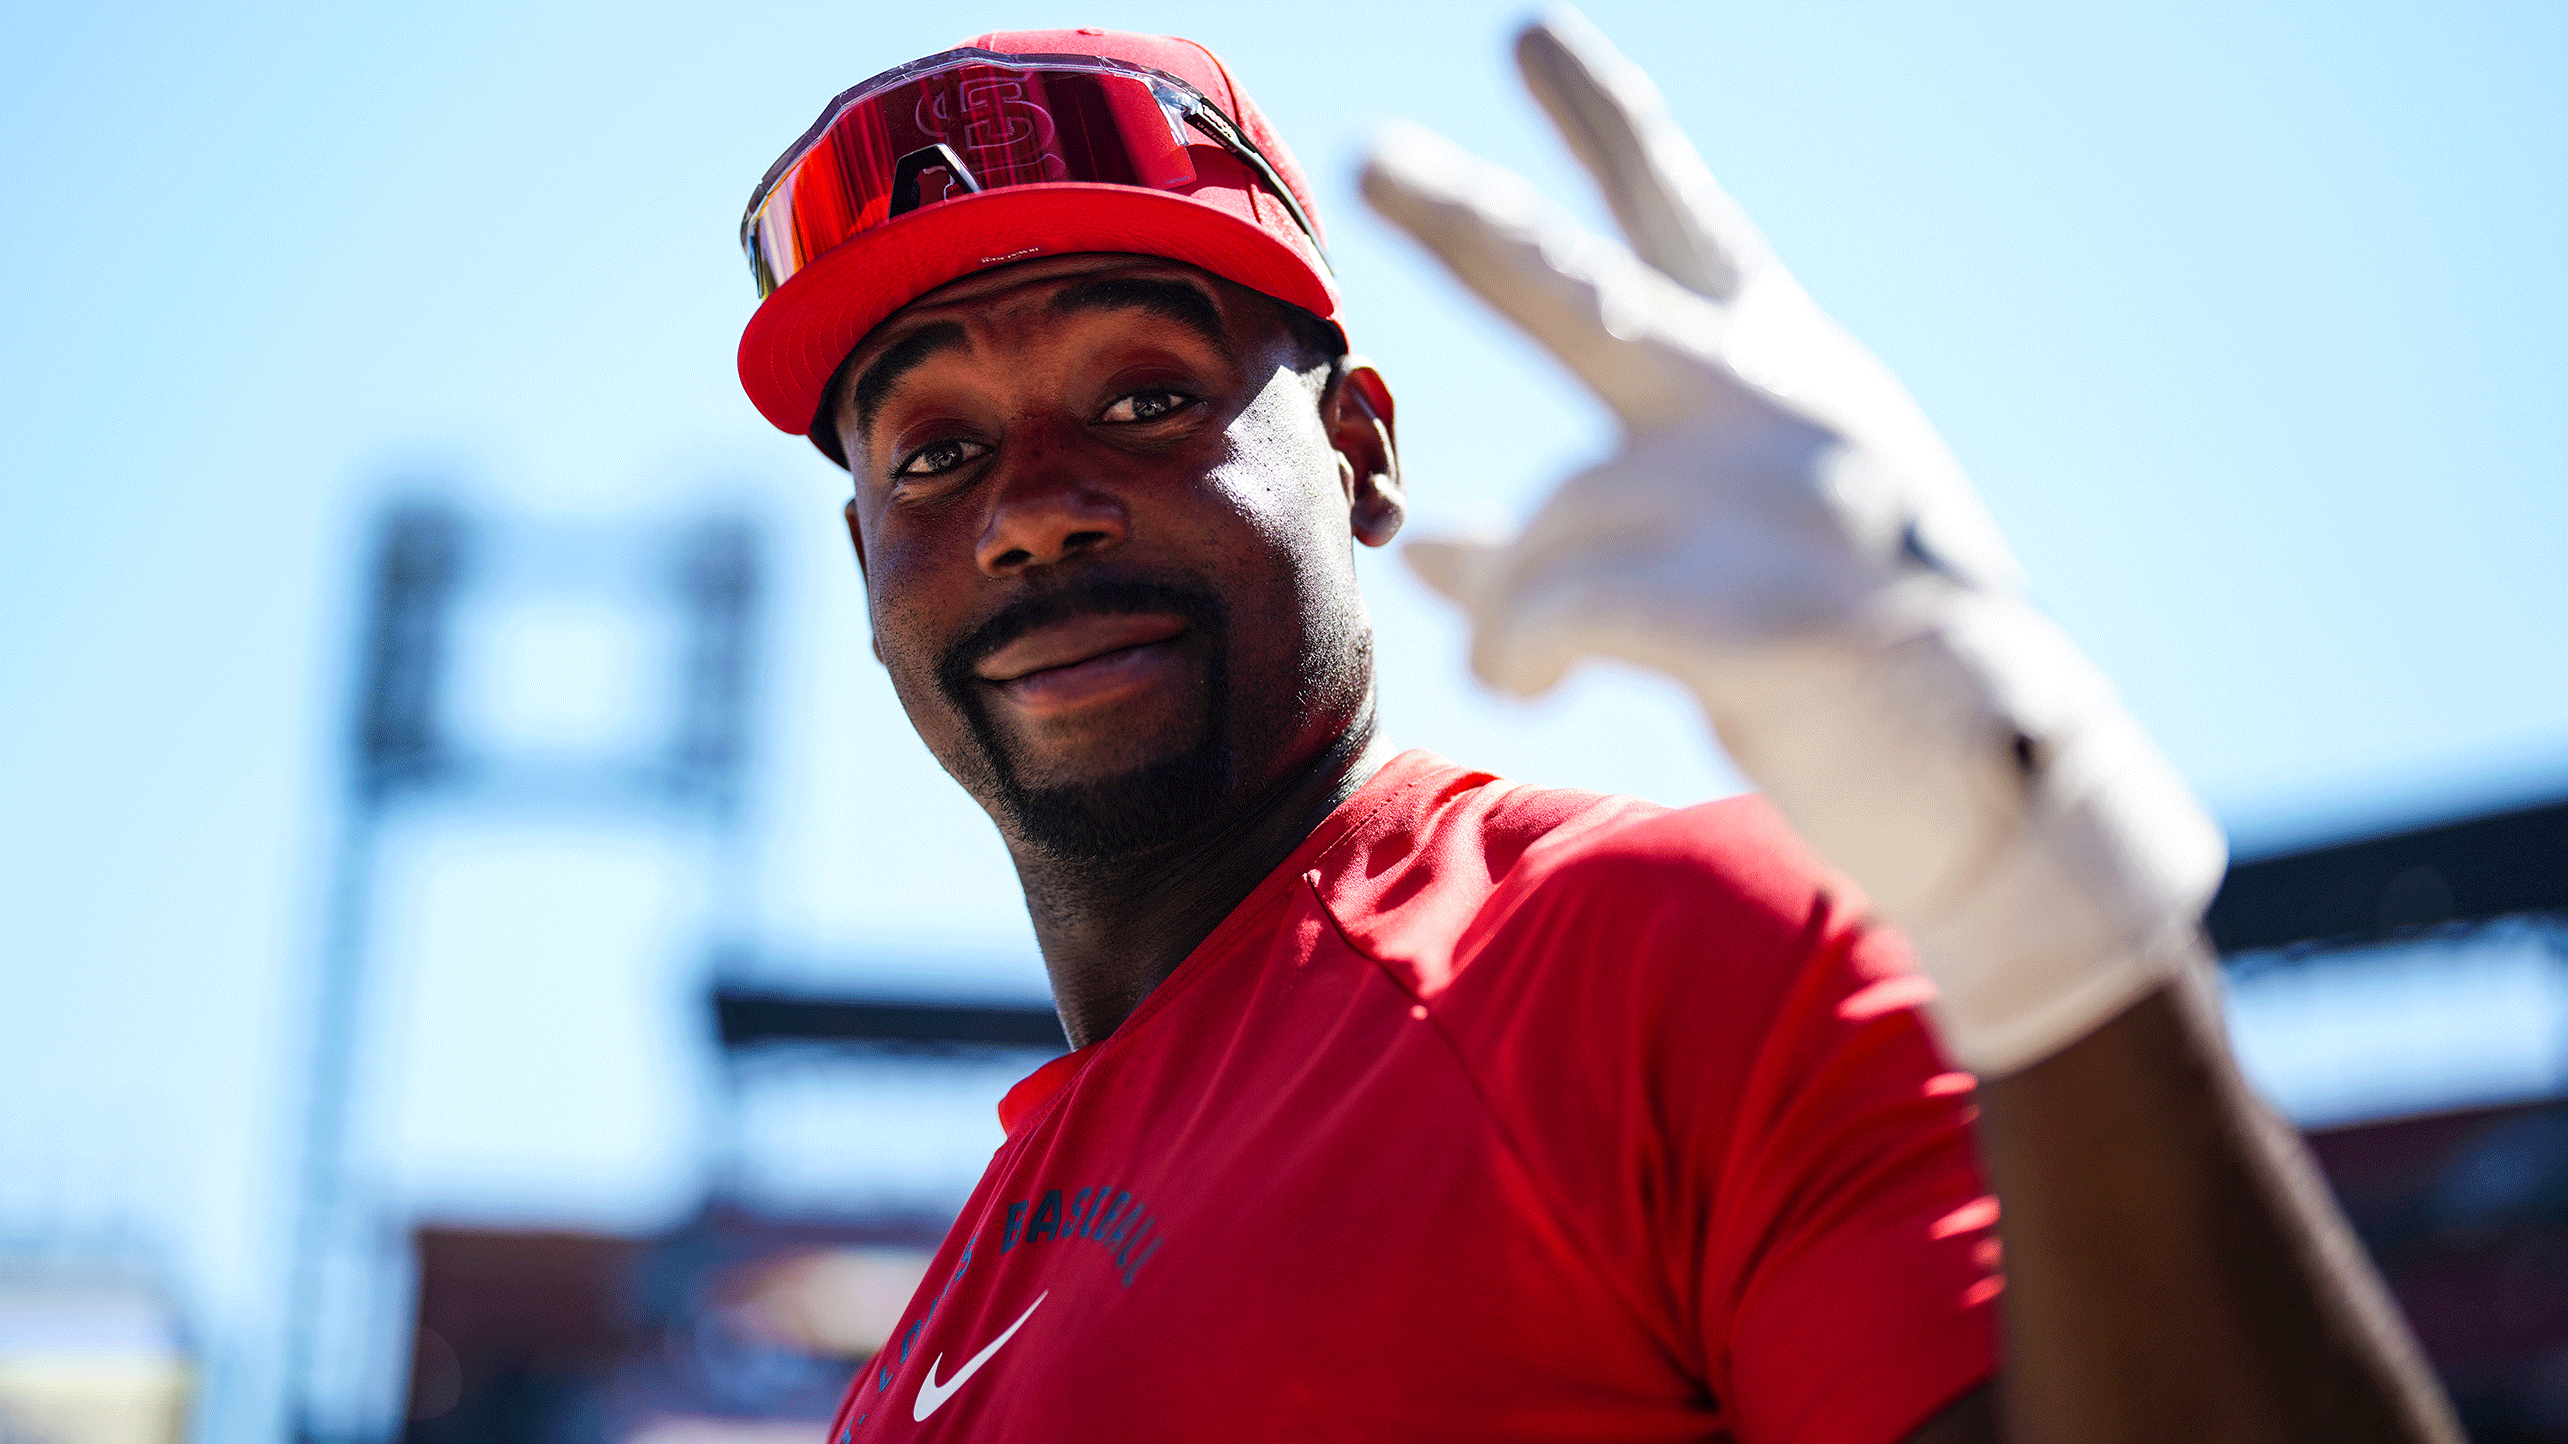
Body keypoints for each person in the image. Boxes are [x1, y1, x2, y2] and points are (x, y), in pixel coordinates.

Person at [731, 17, 2461, 1443]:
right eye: (936, 453)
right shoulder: (930, 1337)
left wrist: (2044, 903)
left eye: (1145, 397)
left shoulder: (1660, 955)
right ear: (870, 566)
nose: (1033, 511)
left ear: (1362, 456)